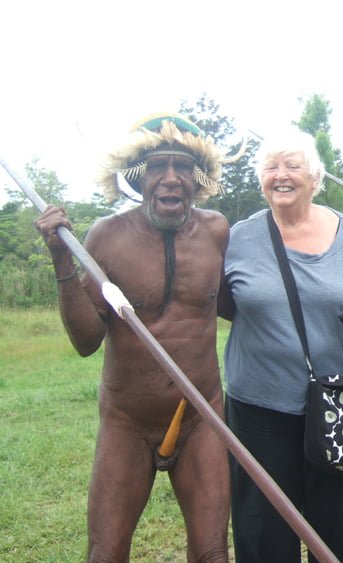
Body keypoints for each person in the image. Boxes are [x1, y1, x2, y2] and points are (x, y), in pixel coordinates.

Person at [34, 113, 233, 561]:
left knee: (213, 553)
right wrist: (62, 259)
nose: (170, 178)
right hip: (127, 422)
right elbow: (86, 341)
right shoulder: (107, 237)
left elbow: (233, 304)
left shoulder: (217, 231)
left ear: (197, 179)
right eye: (158, 166)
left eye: (182, 167)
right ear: (138, 177)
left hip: (200, 416)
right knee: (105, 553)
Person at [219, 129, 343, 563]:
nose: (281, 175)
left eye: (293, 166)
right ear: (261, 179)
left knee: (335, 534)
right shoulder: (238, 237)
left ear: (315, 178)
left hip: (340, 405)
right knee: (263, 534)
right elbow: (218, 303)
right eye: (271, 167)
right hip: (259, 410)